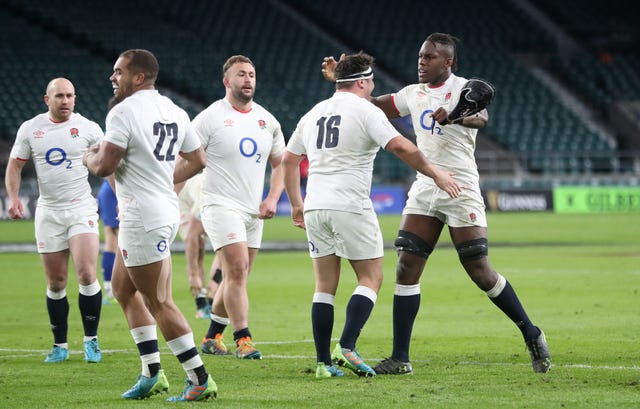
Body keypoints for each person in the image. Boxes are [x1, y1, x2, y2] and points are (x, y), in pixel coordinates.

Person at [322, 33, 552, 374]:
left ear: (448, 62)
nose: (421, 62)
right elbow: (368, 107)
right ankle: (401, 358)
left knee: (479, 269)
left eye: (429, 57)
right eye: (420, 56)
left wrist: (456, 115)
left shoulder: (463, 88)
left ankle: (531, 332)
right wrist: (342, 82)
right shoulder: (411, 94)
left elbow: (482, 117)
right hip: (426, 186)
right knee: (405, 266)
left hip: (460, 186)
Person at [283, 52, 461, 379]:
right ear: (364, 82)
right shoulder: (365, 110)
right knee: (371, 278)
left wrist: (296, 202)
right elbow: (401, 147)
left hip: (315, 205)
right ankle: (347, 346)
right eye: (372, 82)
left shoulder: (314, 112)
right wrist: (436, 173)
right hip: (349, 203)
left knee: (324, 286)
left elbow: (289, 160)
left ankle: (323, 363)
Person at [83, 49, 216, 401]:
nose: (113, 77)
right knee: (124, 289)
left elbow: (104, 167)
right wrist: (163, 179)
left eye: (118, 71)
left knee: (159, 302)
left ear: (138, 77)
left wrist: (87, 155)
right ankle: (152, 372)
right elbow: (198, 159)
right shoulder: (174, 110)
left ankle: (200, 378)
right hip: (156, 211)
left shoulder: (123, 112)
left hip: (143, 217)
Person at [4, 77, 103, 363]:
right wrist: (13, 199)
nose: (66, 101)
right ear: (47, 99)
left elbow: (108, 165)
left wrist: (120, 197)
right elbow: (15, 165)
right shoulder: (31, 128)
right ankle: (60, 345)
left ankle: (91, 341)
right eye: (59, 96)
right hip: (49, 212)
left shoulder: (89, 128)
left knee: (86, 273)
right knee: (57, 281)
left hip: (81, 208)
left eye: (70, 95)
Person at [194, 55, 285, 359]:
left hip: (252, 211)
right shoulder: (209, 118)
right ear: (227, 81)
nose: (248, 79)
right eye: (241, 74)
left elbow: (280, 163)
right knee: (235, 269)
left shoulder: (267, 120)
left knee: (238, 277)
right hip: (219, 204)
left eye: (252, 74)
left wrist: (273, 197)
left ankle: (211, 337)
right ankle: (243, 338)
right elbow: (188, 157)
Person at [176, 172, 223, 319]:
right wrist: (193, 274)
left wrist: (215, 281)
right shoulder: (205, 196)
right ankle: (201, 304)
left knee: (227, 246)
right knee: (198, 247)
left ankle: (212, 294)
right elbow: (191, 237)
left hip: (214, 202)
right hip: (184, 201)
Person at [97, 176, 118, 304]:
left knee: (113, 241)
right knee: (115, 242)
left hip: (110, 191)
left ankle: (110, 290)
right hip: (114, 191)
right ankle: (111, 291)